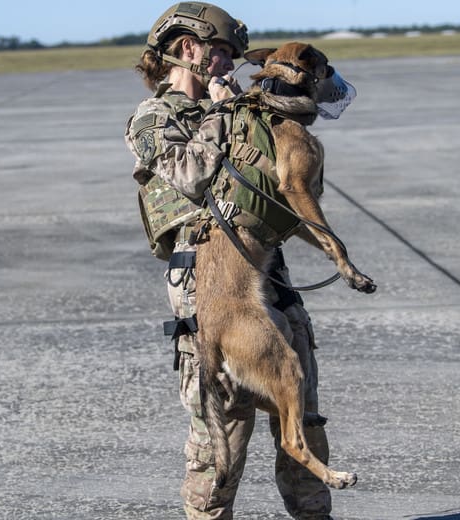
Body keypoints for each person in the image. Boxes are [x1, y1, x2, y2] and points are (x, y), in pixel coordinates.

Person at [124, 3, 336, 519]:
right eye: (220, 51)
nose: (229, 63)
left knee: (302, 410)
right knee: (224, 421)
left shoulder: (242, 108)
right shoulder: (153, 118)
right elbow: (193, 177)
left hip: (267, 271)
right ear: (188, 48)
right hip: (205, 280)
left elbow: (293, 186)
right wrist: (222, 114)